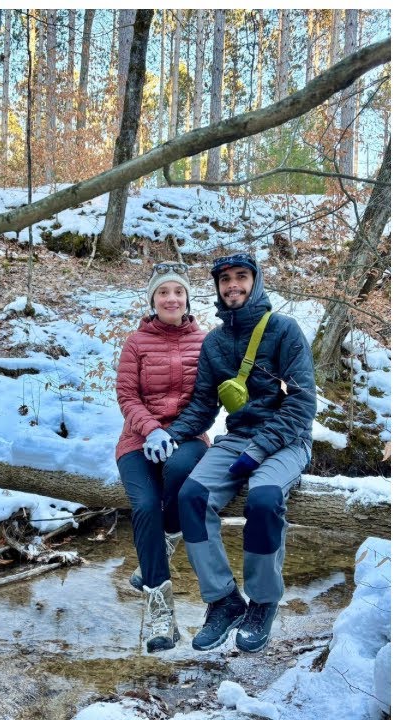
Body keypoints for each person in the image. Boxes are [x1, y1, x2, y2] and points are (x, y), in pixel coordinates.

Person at [162, 253, 317, 653]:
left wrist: (260, 449)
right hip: (237, 439)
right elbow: (202, 405)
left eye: (241, 277)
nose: (233, 285)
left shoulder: (285, 330)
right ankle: (223, 600)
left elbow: (302, 405)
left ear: (256, 281)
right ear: (216, 287)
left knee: (264, 499)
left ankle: (263, 602)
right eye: (225, 279)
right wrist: (170, 436)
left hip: (286, 438)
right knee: (191, 497)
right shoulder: (214, 342)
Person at [114, 262, 209, 652]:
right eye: (163, 292)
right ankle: (160, 613)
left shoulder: (206, 341)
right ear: (153, 300)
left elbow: (207, 400)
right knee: (145, 506)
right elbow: (126, 396)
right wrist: (150, 429)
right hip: (137, 439)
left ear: (187, 299)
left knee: (181, 467)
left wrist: (173, 433)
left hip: (187, 436)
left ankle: (168, 537)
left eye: (179, 292)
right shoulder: (135, 342)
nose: (172, 298)